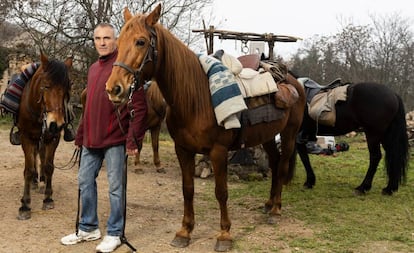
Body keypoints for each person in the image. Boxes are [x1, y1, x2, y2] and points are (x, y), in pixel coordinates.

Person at [60, 23, 147, 253]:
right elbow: (89, 106)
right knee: (84, 181)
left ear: (116, 40)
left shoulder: (125, 68)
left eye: (107, 38)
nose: (102, 42)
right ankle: (89, 227)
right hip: (91, 139)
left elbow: (139, 108)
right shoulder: (92, 69)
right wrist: (80, 135)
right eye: (98, 38)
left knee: (116, 188)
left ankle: (115, 233)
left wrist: (132, 140)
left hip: (116, 140)